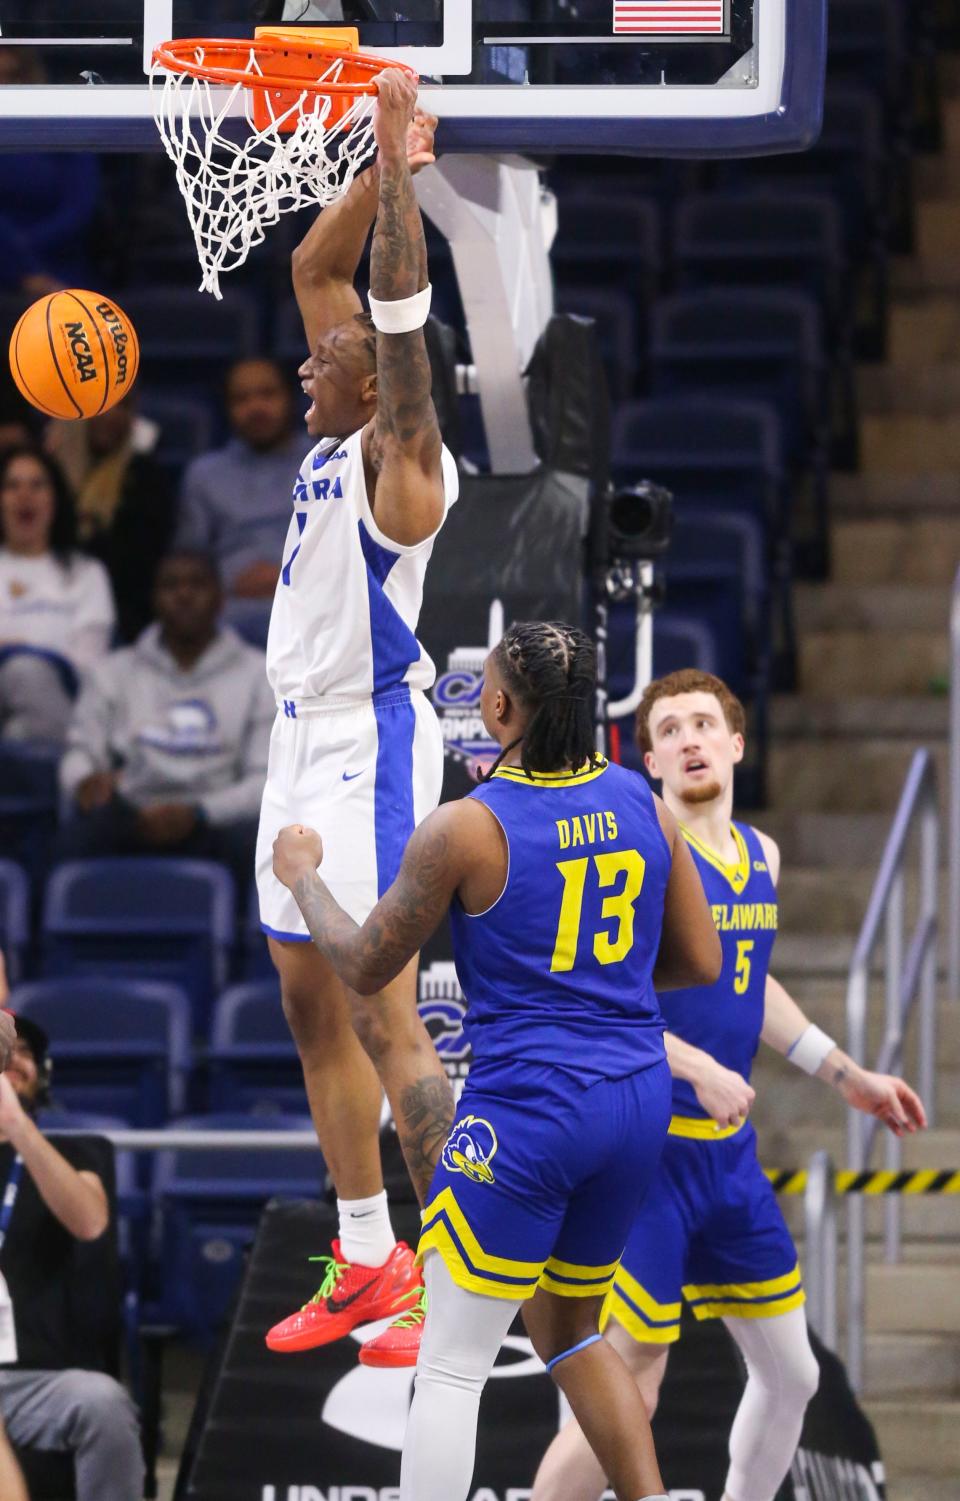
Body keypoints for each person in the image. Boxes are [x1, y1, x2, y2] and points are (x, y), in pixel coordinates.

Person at [272, 620, 722, 1501]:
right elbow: (699, 961)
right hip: (634, 1101)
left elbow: (365, 964)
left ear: (501, 704)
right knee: (573, 1334)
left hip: (533, 1109)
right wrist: (611, 976)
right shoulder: (644, 801)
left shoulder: (466, 828)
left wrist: (301, 876)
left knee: (449, 1364)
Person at [531, 668, 928, 1501]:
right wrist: (698, 1064)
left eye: (703, 723)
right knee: (634, 1380)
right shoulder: (637, 856)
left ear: (737, 743)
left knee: (793, 1374)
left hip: (728, 1160)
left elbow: (753, 983)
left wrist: (844, 1072)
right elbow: (593, 1006)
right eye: (668, 730)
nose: (689, 740)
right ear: (649, 762)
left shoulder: (761, 855)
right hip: (646, 1149)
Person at [257, 71, 458, 1361]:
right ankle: (371, 1257)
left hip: (370, 739)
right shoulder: (336, 435)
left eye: (327, 359)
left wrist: (397, 189)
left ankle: (461, 1263)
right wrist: (392, 170)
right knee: (303, 1000)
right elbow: (310, 265)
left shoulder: (404, 473)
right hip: (297, 734)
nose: (301, 359)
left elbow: (388, 319)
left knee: (380, 1004)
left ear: (375, 383)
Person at [56, 549, 274, 894]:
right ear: (154, 599)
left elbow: (266, 780)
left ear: (220, 598)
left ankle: (240, 944)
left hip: (216, 821)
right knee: (74, 836)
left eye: (196, 584)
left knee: (264, 845)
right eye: (170, 585)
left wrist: (200, 812)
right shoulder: (113, 671)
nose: (183, 594)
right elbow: (80, 750)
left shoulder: (260, 675)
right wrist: (84, 780)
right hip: (133, 814)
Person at [0, 978, 144, 1501]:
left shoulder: (75, 1155)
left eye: (26, 1056)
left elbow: (90, 1222)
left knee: (102, 1403)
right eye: (3, 1054)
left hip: (34, 1383)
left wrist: (17, 1128)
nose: (14, 1061)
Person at [0, 446, 115, 743]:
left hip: (61, 701)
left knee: (25, 674)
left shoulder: (87, 573)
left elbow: (89, 667)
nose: (24, 496)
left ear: (55, 500)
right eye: (12, 486)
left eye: (37, 485)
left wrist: (24, 654)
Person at [47, 396, 177, 642]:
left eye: (124, 406)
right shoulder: (43, 477)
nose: (114, 416)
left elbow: (141, 567)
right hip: (42, 600)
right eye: (103, 405)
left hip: (120, 616)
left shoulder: (144, 478)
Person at [175, 358, 303, 603]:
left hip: (311, 601)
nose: (256, 407)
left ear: (291, 398)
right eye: (241, 399)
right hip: (228, 611)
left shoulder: (326, 463)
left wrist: (288, 575)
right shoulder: (203, 474)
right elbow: (189, 563)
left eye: (268, 394)